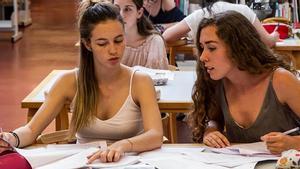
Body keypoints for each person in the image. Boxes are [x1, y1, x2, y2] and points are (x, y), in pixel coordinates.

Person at [0, 1, 163, 163]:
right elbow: (30, 130)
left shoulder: (140, 81)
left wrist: (123, 145)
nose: (113, 50)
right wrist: (10, 138)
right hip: (85, 163)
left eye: (119, 40)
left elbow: (155, 135)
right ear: (87, 44)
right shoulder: (68, 81)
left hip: (131, 162)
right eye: (102, 43)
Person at [190, 11, 300, 155]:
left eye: (212, 48)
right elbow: (214, 119)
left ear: (238, 47)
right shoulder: (218, 81)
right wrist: (211, 131)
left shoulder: (281, 80)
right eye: (202, 48)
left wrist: (294, 143)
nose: (203, 57)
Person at [162, 0, 279, 48]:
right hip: (241, 71)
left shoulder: (200, 14)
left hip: (209, 76)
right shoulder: (244, 10)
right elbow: (267, 42)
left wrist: (191, 39)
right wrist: (275, 35)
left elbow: (167, 36)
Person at [113, 0, 169, 70]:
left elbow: (156, 79)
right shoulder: (107, 40)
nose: (121, 15)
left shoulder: (154, 42)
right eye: (116, 9)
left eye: (127, 9)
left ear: (139, 13)